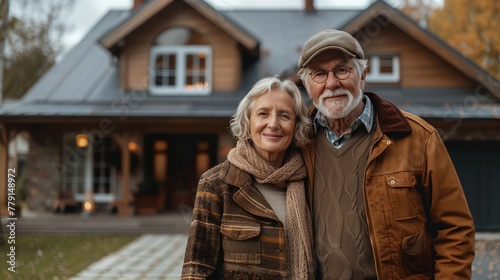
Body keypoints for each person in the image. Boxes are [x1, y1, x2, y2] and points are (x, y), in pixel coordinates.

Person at [297, 29, 475, 279]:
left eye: (342, 70)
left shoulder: (418, 138)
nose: (332, 83)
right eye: (319, 74)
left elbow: (455, 230)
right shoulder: (297, 145)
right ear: (307, 85)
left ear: (363, 76)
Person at [181, 76, 315, 279]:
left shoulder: (310, 180)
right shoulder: (217, 183)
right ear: (248, 121)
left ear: (296, 125)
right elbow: (197, 269)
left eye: (285, 116)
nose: (273, 124)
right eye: (263, 114)